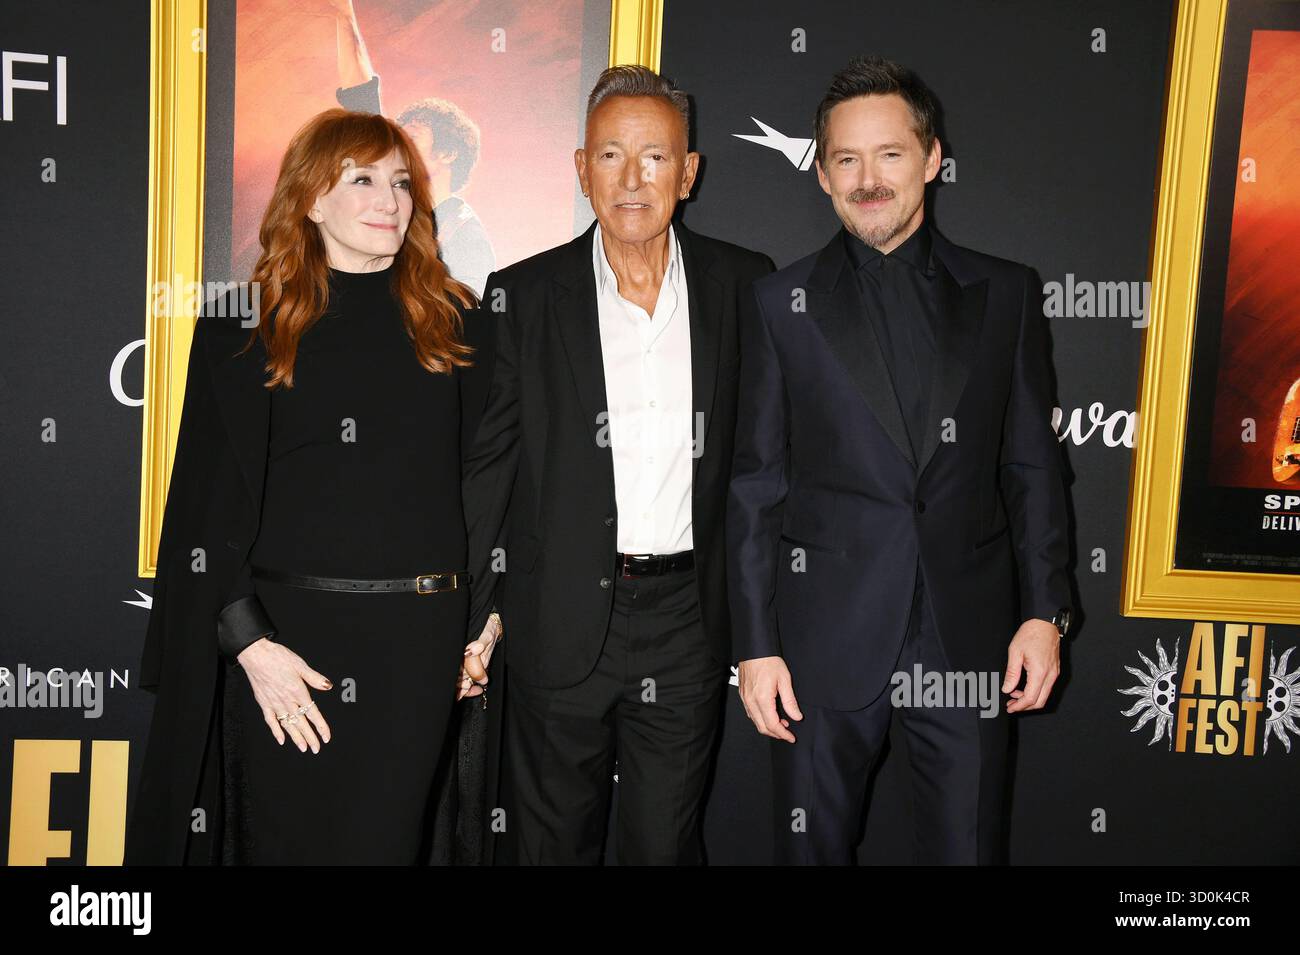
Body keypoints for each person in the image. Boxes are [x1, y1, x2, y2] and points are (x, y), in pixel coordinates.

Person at [125, 108, 499, 864]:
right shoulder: (242, 323)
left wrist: (488, 618)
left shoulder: (461, 326)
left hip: (417, 651)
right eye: (361, 178)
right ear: (310, 197)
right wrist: (252, 645)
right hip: (289, 648)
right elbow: (201, 510)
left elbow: (491, 491)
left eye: (400, 181)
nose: (389, 199)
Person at [728, 56, 1074, 865]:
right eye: (845, 159)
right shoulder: (783, 303)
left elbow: (1032, 468)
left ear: (932, 158)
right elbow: (755, 486)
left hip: (967, 638)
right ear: (822, 175)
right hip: (821, 645)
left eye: (889, 154)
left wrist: (1044, 611)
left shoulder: (1007, 293)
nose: (868, 178)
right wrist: (754, 643)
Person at [461, 65, 774, 864]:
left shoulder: (748, 286)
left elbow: (767, 466)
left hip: (687, 623)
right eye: (610, 156)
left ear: (690, 171)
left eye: (656, 157)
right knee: (547, 847)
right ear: (579, 168)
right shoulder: (521, 295)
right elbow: (489, 469)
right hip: (554, 620)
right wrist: (475, 616)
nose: (632, 180)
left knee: (665, 847)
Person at [330, 0, 496, 296]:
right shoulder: (393, 205)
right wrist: (344, 17)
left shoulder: (464, 234)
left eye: (413, 138)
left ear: (448, 153)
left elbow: (472, 325)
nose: (399, 150)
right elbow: (361, 98)